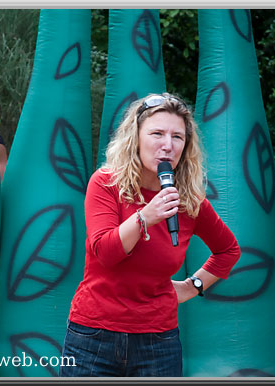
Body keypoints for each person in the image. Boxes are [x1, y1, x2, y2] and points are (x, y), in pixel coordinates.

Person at [60, 93, 241, 377]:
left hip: (158, 342)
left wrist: (192, 286)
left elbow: (228, 250)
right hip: (93, 337)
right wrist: (145, 217)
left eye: (177, 137)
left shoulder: (188, 200)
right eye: (157, 133)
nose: (167, 145)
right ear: (136, 137)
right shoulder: (107, 184)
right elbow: (106, 253)